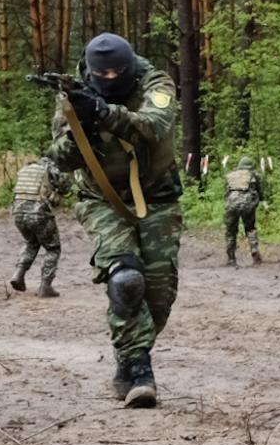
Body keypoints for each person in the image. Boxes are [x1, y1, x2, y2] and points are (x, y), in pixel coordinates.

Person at [42, 33, 182, 408]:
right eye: (100, 74)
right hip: (100, 199)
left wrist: (103, 112)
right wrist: (80, 123)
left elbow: (154, 126)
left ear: (131, 67)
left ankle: (127, 358)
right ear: (89, 71)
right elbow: (62, 157)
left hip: (158, 199)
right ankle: (139, 369)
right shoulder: (73, 94)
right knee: (126, 279)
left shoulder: (156, 82)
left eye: (117, 72)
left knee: (158, 296)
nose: (109, 79)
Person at [9, 157, 69, 297]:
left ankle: (18, 274)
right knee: (53, 248)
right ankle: (45, 286)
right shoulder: (48, 167)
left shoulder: (24, 170)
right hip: (38, 212)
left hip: (17, 211)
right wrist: (62, 192)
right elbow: (64, 183)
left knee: (31, 242)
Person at [223, 156, 265, 267]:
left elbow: (226, 191)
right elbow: (260, 191)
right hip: (247, 204)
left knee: (231, 231)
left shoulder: (230, 175)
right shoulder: (253, 175)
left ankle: (231, 258)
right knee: (250, 228)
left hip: (231, 204)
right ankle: (254, 250)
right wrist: (261, 201)